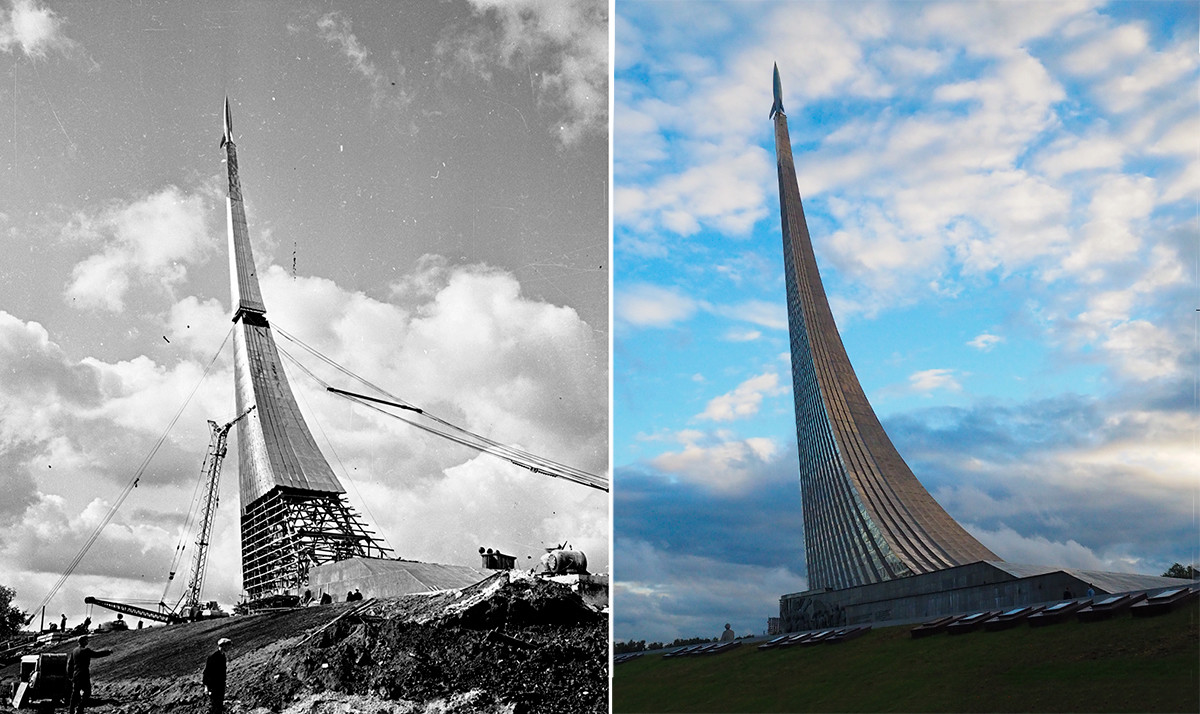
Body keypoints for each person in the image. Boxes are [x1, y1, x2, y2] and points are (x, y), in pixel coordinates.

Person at [67, 635, 112, 714]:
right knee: (87, 692)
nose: (87, 642)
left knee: (74, 693)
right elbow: (96, 654)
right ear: (83, 641)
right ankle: (80, 709)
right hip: (84, 675)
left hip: (75, 675)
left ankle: (71, 710)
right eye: (86, 640)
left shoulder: (74, 651)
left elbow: (70, 664)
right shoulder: (86, 650)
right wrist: (108, 652)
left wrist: (70, 675)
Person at [202, 637, 231, 714]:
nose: (229, 647)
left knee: (219, 706)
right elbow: (207, 672)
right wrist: (206, 687)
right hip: (214, 686)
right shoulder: (213, 657)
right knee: (215, 706)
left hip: (220, 685)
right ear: (223, 646)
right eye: (228, 645)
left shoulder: (223, 656)